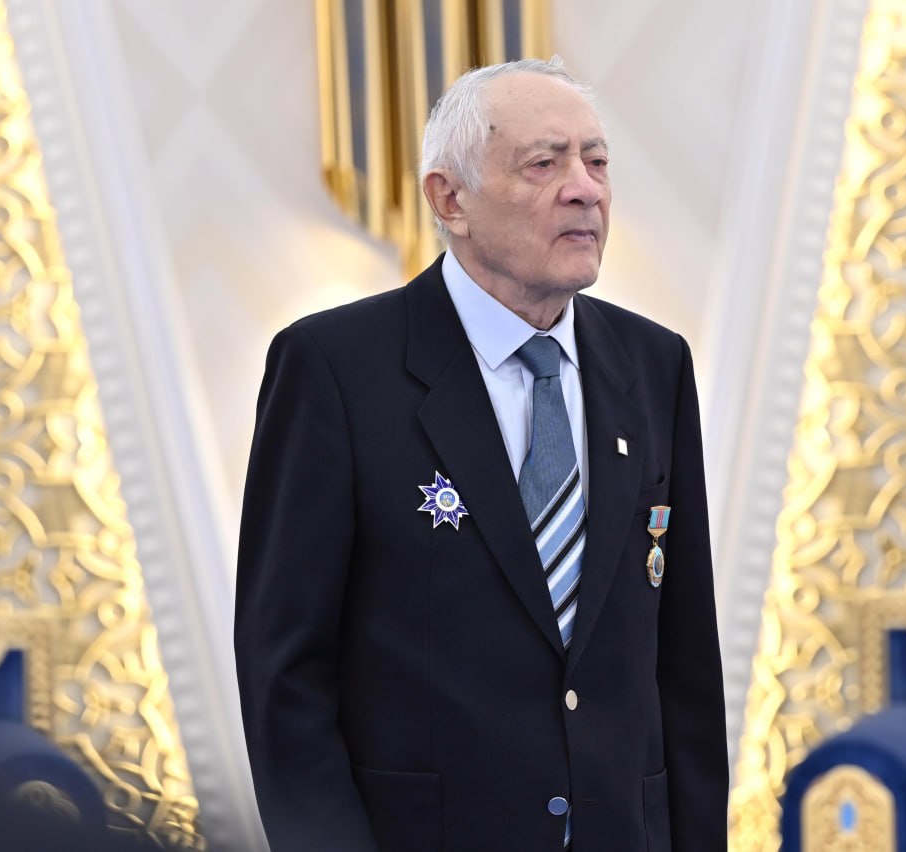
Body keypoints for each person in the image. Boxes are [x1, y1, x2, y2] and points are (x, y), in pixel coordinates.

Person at [235, 57, 728, 852]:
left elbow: (685, 663)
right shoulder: (333, 368)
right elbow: (285, 674)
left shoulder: (654, 363)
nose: (585, 189)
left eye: (597, 161)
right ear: (450, 199)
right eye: (545, 163)